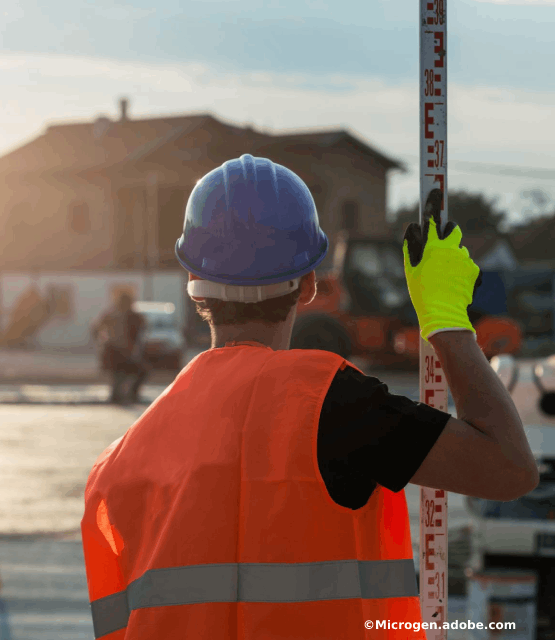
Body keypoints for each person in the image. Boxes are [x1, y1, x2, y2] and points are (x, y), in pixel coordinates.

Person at [80, 154, 539, 639]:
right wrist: (448, 322)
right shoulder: (333, 404)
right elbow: (510, 468)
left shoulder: (116, 467)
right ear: (309, 285)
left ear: (194, 289)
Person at [91, 293, 148, 404]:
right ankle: (127, 395)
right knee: (134, 372)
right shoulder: (125, 315)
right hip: (119, 351)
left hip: (114, 350)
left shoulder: (113, 313)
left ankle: (120, 396)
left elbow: (96, 327)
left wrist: (101, 341)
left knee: (121, 374)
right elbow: (142, 327)